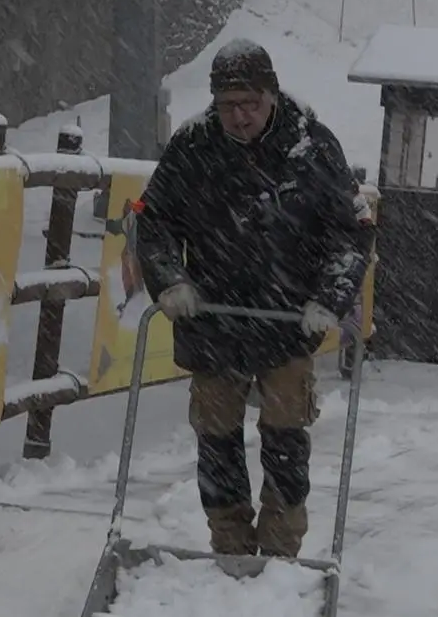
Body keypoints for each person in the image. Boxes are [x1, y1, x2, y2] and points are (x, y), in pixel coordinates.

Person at [135, 39, 375, 558]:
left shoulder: (312, 146)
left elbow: (351, 233)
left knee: (286, 437)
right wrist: (171, 281)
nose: (239, 117)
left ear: (271, 95)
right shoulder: (193, 146)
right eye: (228, 106)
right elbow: (153, 221)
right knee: (216, 438)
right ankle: (229, 545)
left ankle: (282, 548)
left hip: (287, 320)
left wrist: (328, 300)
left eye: (250, 104)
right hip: (213, 318)